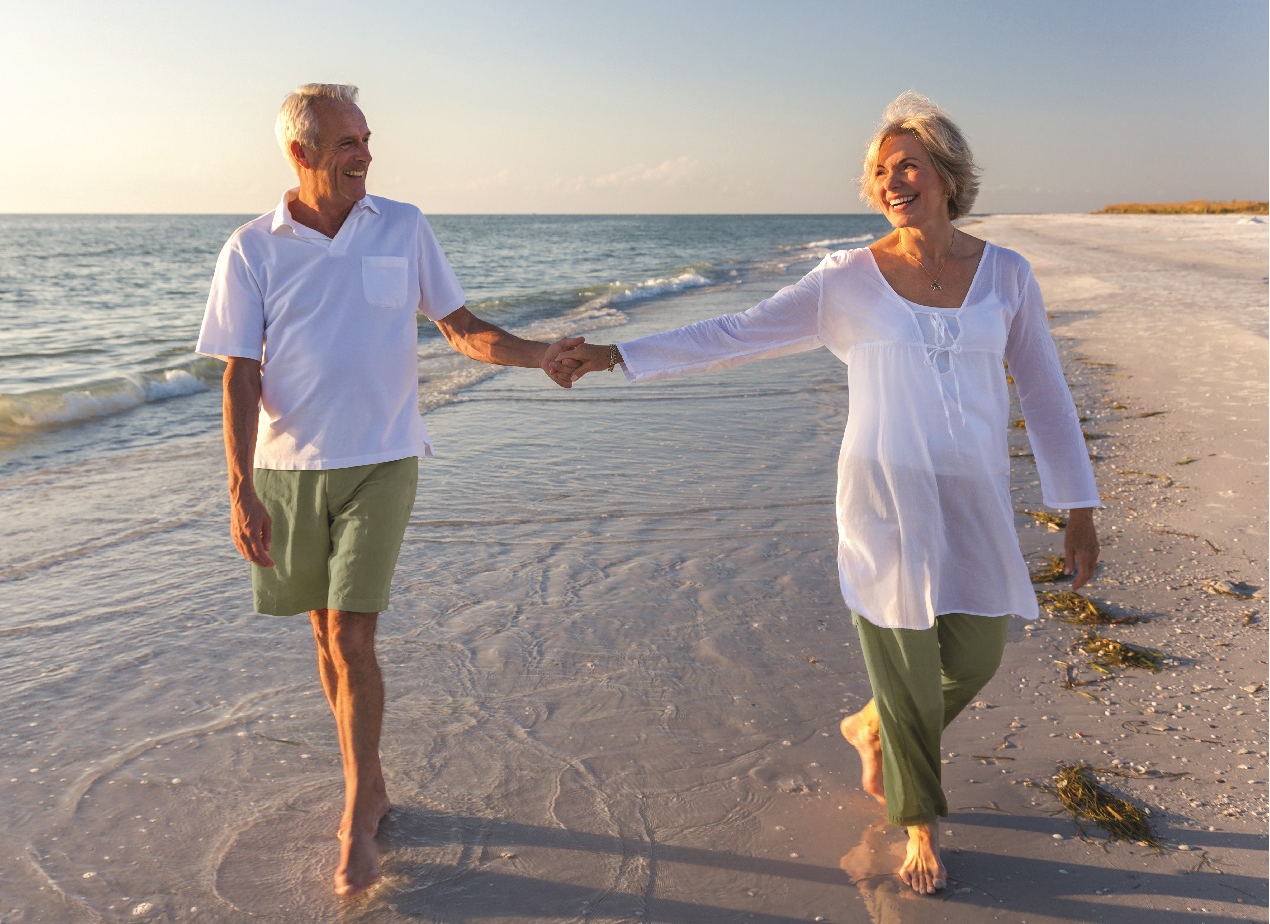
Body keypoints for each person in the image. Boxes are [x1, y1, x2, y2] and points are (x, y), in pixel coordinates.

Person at [550, 91, 1100, 895]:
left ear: (947, 173)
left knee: (976, 652)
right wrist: (613, 355)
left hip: (973, 497)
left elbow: (1045, 395)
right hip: (881, 498)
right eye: (878, 170)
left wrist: (1077, 511)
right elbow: (733, 333)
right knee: (906, 664)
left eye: (906, 164)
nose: (889, 179)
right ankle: (920, 822)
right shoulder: (845, 279)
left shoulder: (1007, 275)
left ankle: (873, 726)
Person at [196, 83, 581, 898]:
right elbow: (239, 374)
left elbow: (460, 327)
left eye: (367, 138)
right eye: (346, 143)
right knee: (322, 638)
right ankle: (366, 776)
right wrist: (239, 489)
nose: (364, 153)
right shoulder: (251, 248)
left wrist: (539, 352)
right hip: (287, 469)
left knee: (354, 637)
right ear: (300, 154)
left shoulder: (401, 225)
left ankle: (356, 808)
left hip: (383, 458)